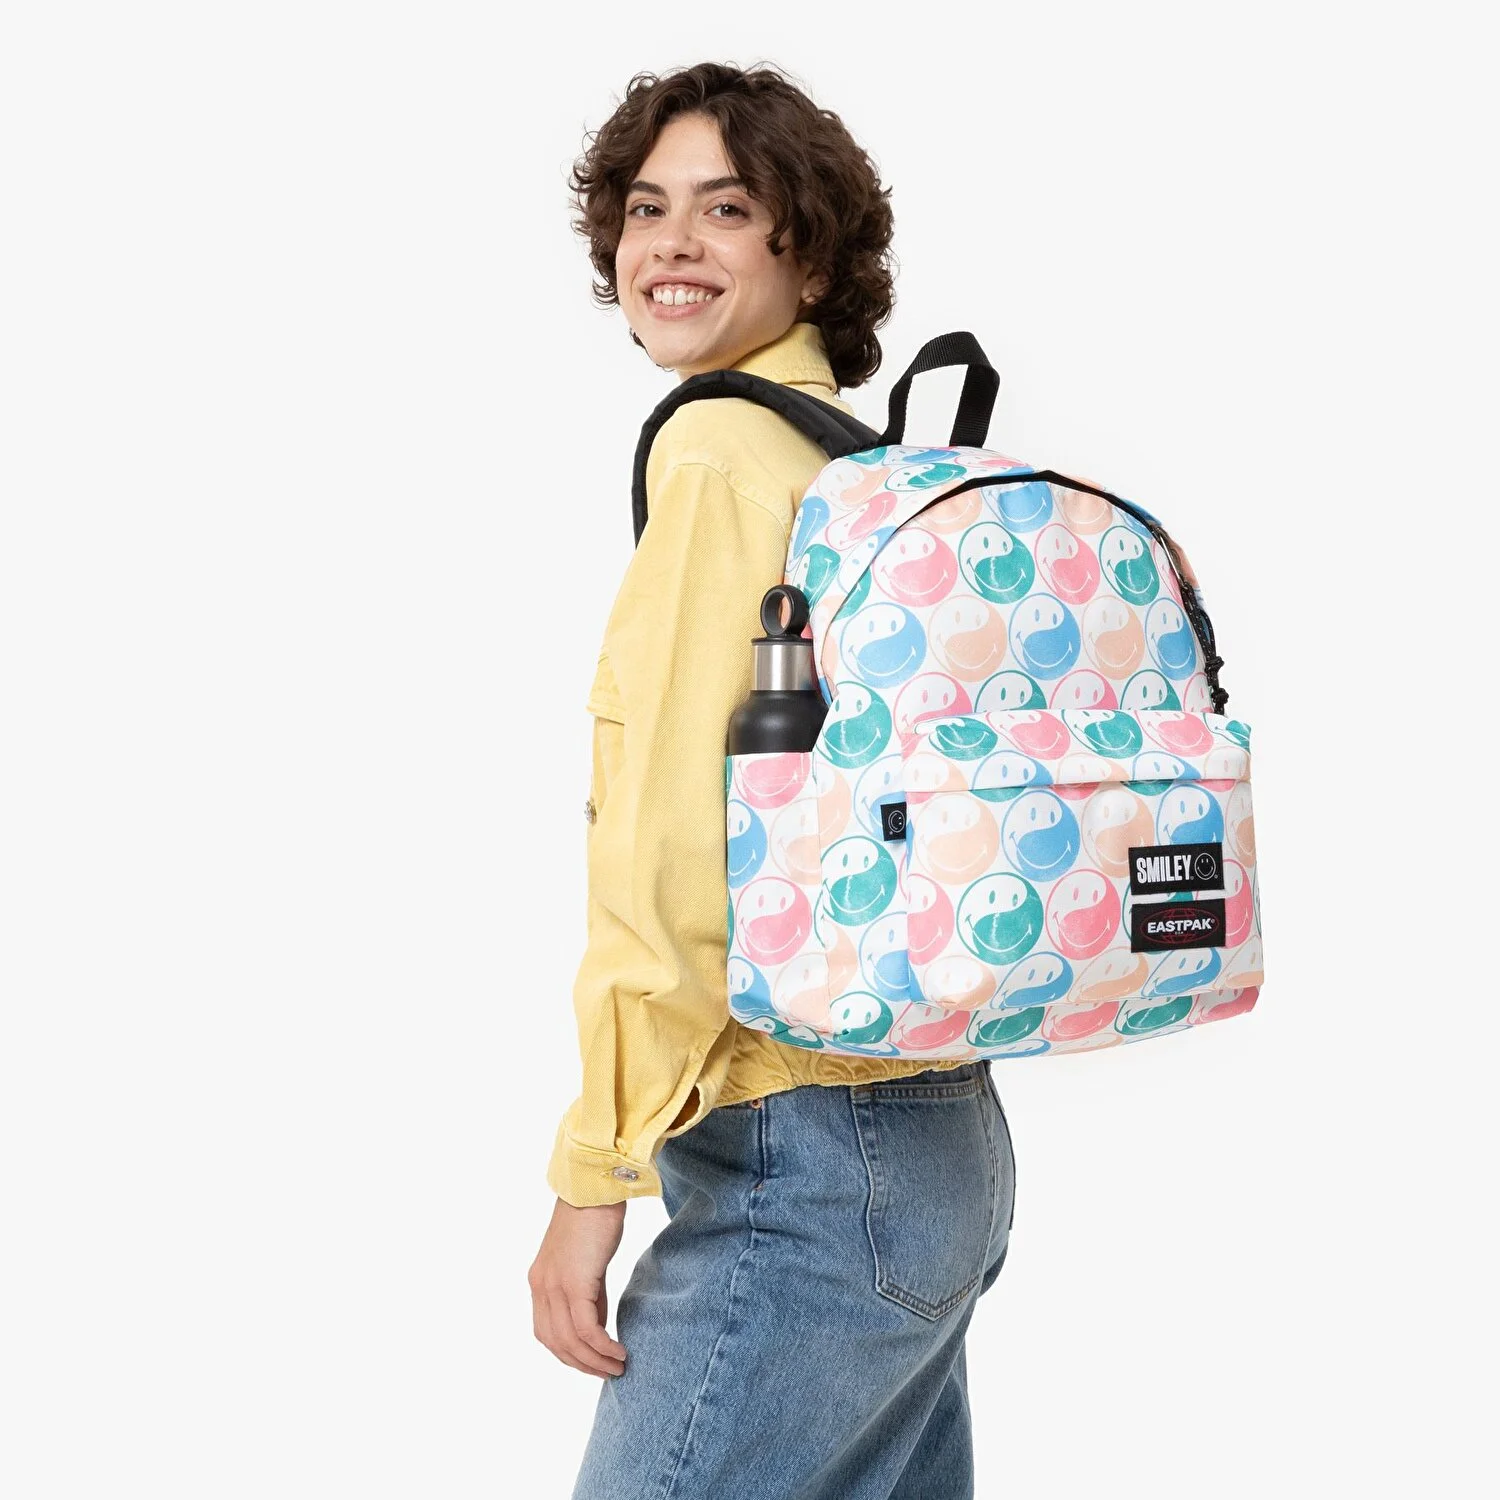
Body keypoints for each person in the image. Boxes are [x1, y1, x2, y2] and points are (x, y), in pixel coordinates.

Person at [529, 63, 1016, 1500]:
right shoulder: (859, 468)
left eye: (727, 209)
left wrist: (595, 1171)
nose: (670, 245)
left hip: (799, 1158)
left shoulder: (721, 456)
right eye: (646, 209)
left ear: (809, 255)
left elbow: (678, 848)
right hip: (937, 1137)